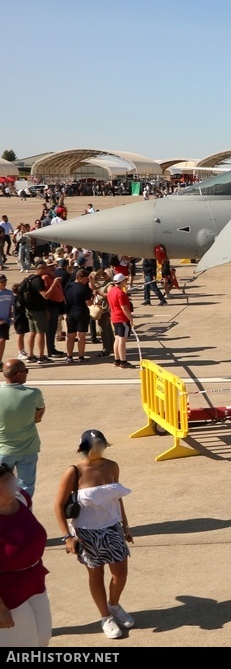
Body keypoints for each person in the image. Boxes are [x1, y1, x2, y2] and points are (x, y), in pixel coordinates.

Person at [53, 430, 133, 639]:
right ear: (85, 447)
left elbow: (117, 497)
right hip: (87, 532)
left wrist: (126, 525)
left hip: (113, 527)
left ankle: (114, 605)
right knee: (96, 575)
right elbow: (59, 505)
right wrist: (67, 537)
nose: (99, 448)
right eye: (95, 444)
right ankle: (105, 617)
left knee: (120, 573)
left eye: (102, 443)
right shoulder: (74, 471)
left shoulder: (112, 466)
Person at [0, 462, 50, 647]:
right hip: (8, 593)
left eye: (11, 478)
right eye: (5, 481)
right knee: (24, 644)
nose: (13, 483)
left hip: (35, 581)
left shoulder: (21, 498)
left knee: (43, 638)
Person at [0, 359, 45, 497]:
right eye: (26, 371)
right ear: (18, 375)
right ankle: (25, 515)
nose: (27, 373)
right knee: (26, 488)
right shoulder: (34, 393)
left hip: (3, 449)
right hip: (28, 448)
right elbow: (39, 415)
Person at [63, 269, 93, 362]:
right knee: (81, 336)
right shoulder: (83, 289)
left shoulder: (68, 286)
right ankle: (81, 356)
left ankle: (69, 356)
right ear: (79, 278)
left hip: (70, 312)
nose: (87, 281)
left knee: (70, 336)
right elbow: (88, 303)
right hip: (81, 313)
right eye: (85, 279)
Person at [106, 273, 134, 369]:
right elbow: (124, 308)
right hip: (122, 318)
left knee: (117, 339)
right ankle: (123, 361)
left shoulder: (111, 291)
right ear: (122, 282)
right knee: (122, 340)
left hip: (114, 317)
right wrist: (131, 319)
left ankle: (116, 360)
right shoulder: (120, 293)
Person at [0, 276, 13, 363]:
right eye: (1, 281)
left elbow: (11, 306)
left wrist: (11, 317)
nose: (4, 283)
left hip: (5, 321)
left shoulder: (9, 293)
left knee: (2, 340)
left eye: (5, 281)